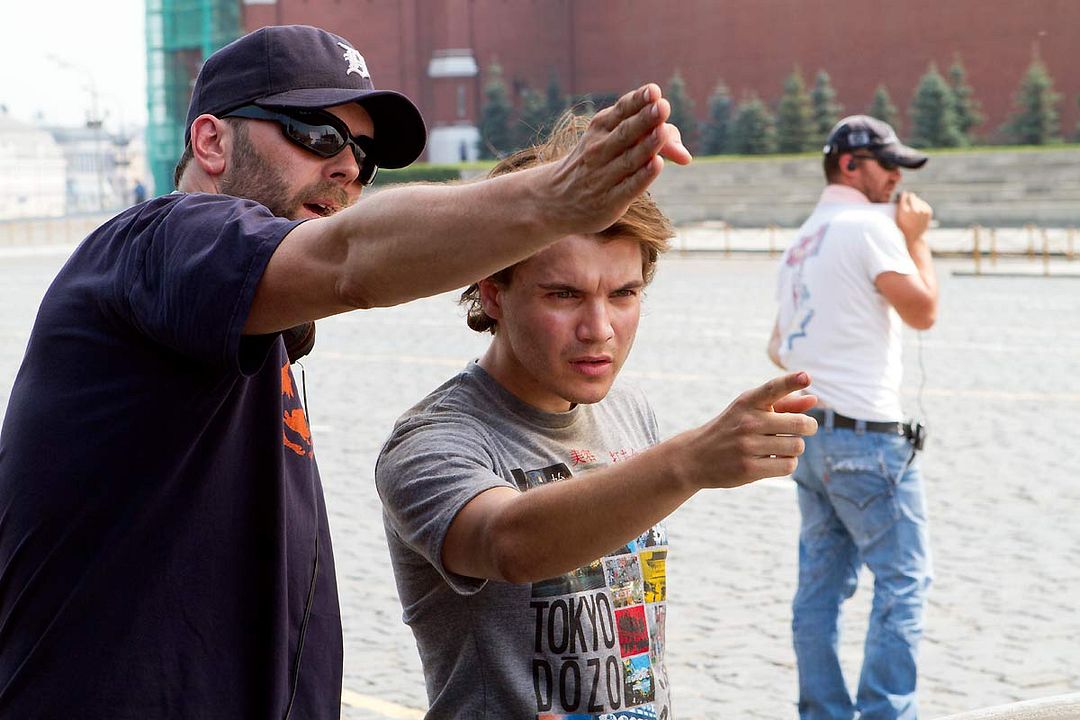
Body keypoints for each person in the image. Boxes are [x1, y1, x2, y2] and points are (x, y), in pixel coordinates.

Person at [0, 24, 694, 718]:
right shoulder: (156, 244)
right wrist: (557, 199)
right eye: (319, 136)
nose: (348, 171)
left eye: (362, 156)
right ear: (212, 142)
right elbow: (348, 261)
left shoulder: (243, 322)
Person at [376, 114, 820, 718]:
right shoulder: (435, 440)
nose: (600, 329)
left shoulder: (630, 411)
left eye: (623, 294)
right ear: (492, 291)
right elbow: (508, 543)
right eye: (564, 295)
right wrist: (687, 465)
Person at [768, 115, 938, 720]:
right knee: (904, 582)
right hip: (867, 439)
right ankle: (887, 713)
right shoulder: (871, 226)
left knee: (819, 591)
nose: (896, 177)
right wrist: (915, 238)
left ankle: (822, 713)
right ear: (849, 164)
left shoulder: (802, 239)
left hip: (812, 437)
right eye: (886, 165)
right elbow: (922, 310)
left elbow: (777, 348)